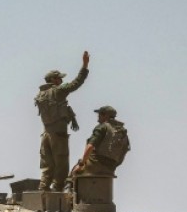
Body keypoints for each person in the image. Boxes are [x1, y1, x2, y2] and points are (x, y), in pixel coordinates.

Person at [35, 51, 90, 191]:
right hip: (58, 134)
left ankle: (42, 191)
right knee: (61, 164)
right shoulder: (58, 91)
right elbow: (76, 83)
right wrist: (84, 66)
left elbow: (57, 108)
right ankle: (57, 192)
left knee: (48, 166)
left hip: (46, 135)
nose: (61, 81)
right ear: (54, 80)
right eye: (59, 78)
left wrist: (72, 117)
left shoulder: (41, 94)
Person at [71, 105, 130, 179]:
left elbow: (90, 147)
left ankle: (68, 184)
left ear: (105, 116)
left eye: (100, 114)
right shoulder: (122, 131)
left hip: (95, 164)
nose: (98, 117)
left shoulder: (103, 127)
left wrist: (81, 164)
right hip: (110, 168)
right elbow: (125, 151)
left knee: (74, 170)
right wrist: (113, 166)